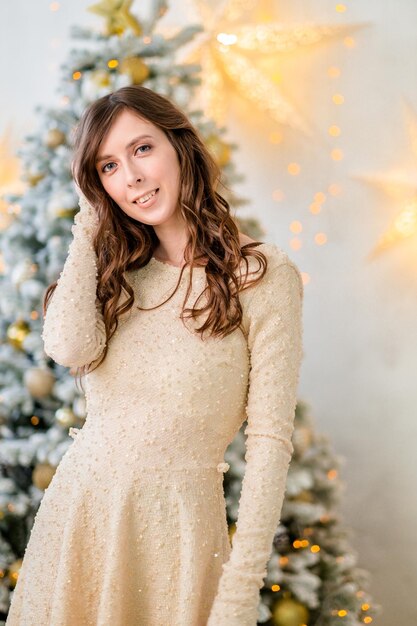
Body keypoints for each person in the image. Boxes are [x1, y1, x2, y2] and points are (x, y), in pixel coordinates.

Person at [6, 85, 304, 626]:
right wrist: (87, 226)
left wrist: (241, 589)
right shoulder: (117, 273)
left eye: (142, 149)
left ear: (179, 146)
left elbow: (269, 440)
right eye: (108, 167)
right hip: (79, 523)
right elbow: (68, 346)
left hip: (181, 540)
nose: (132, 178)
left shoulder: (261, 276)